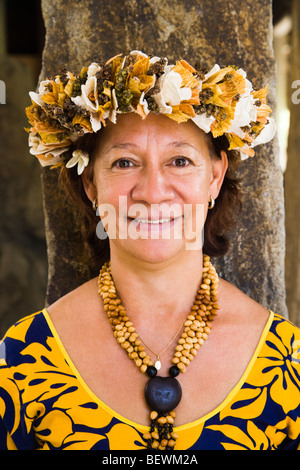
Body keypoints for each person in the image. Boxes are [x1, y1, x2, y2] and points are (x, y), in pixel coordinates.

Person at [0, 51, 299, 451]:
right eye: (124, 163)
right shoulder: (22, 359)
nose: (153, 192)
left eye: (179, 160)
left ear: (215, 177)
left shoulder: (288, 363)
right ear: (91, 184)